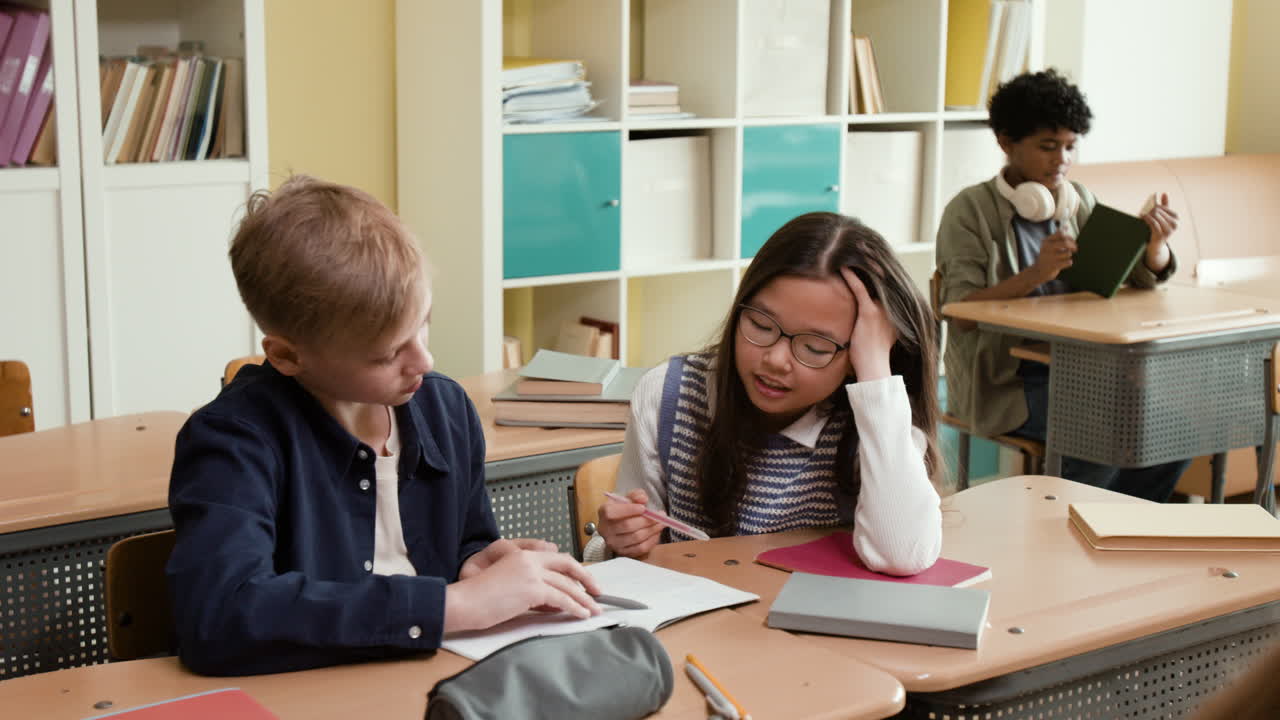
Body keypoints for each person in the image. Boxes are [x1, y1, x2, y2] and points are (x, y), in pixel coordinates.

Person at [166, 175, 602, 676]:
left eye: (423, 322)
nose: (424, 359)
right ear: (287, 356)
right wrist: (451, 607)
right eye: (388, 353)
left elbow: (464, 538)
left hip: (434, 680)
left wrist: (474, 561)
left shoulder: (446, 409)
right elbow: (218, 619)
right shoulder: (232, 441)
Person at [591, 211, 944, 575]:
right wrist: (622, 540)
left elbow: (904, 553)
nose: (775, 359)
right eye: (760, 324)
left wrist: (874, 373)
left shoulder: (873, 412)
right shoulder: (669, 395)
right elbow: (634, 556)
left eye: (815, 347)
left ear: (855, 353)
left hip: (812, 627)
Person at [935, 69, 1188, 502]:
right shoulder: (969, 212)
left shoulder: (1077, 201)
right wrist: (1035, 276)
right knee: (1101, 434)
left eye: (1070, 147)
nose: (1061, 161)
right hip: (1006, 382)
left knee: (1175, 431)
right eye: (1047, 147)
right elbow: (959, 312)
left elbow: (1139, 279)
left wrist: (1155, 246)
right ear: (1006, 143)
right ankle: (1074, 533)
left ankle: (1126, 525)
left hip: (1081, 373)